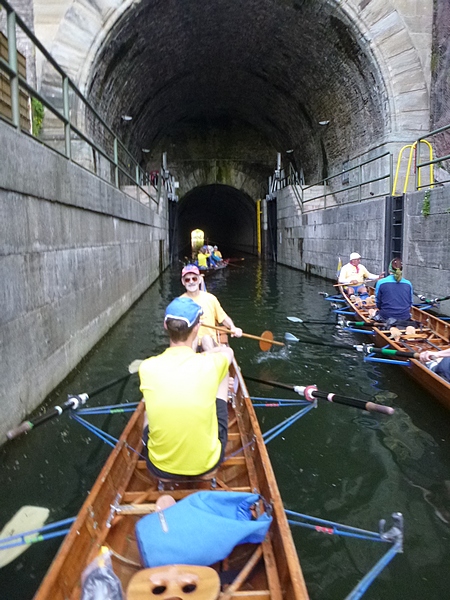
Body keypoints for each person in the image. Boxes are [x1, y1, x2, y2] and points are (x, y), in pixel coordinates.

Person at [139, 296, 234, 478]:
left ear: (165, 326)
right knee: (224, 375)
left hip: (159, 468)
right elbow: (228, 352)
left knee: (145, 414)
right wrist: (210, 353)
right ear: (197, 328)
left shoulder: (146, 367)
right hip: (207, 465)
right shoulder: (211, 364)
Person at [180, 264, 242, 350]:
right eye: (187, 280)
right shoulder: (179, 302)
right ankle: (192, 360)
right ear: (183, 282)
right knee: (194, 339)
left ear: (199, 279)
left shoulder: (211, 298)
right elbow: (175, 327)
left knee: (206, 338)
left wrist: (233, 327)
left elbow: (223, 318)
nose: (191, 282)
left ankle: (210, 359)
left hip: (210, 343)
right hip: (190, 344)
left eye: (194, 278)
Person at [374, 258, 413, 322]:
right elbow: (410, 303)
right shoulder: (408, 283)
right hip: (405, 317)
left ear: (389, 270)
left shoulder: (380, 282)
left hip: (386, 317)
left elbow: (378, 303)